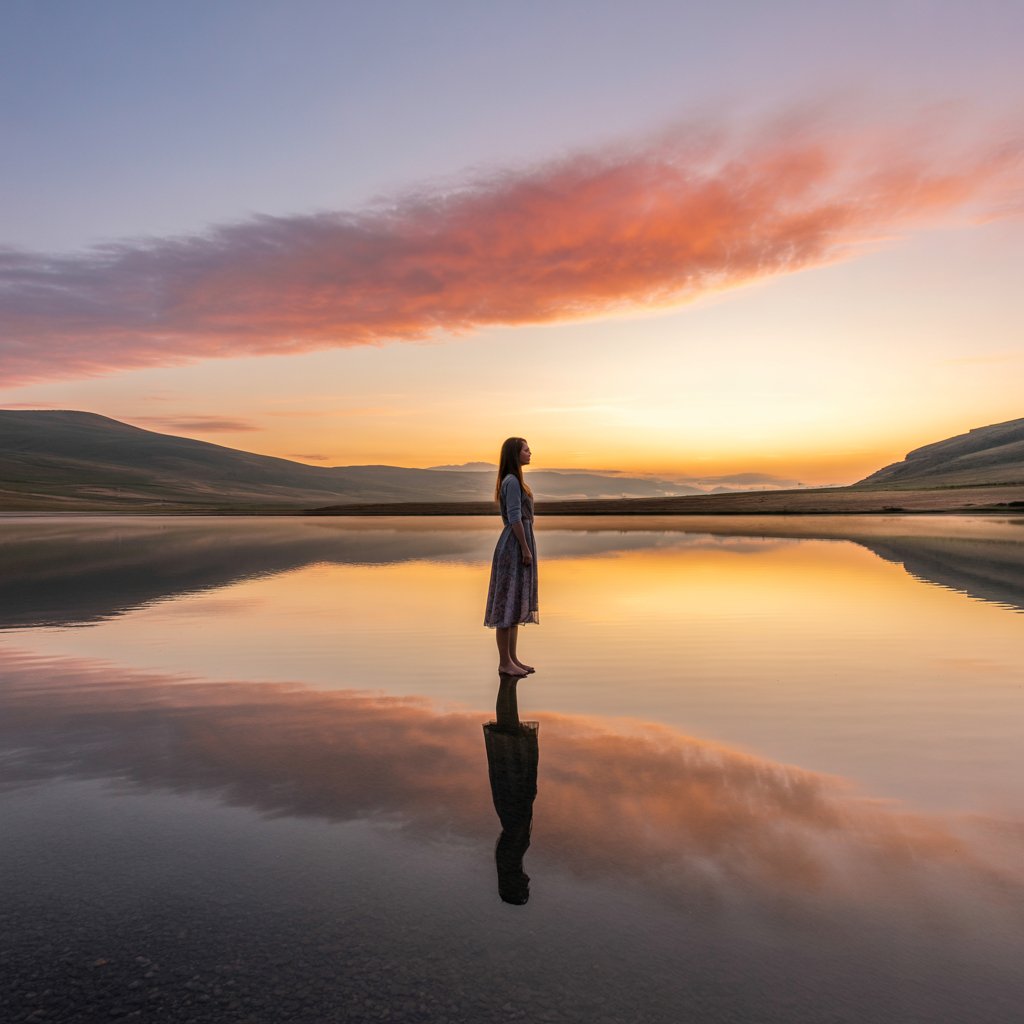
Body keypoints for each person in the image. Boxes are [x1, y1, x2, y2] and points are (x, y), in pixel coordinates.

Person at [483, 437, 538, 676]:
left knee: (514, 602)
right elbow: (514, 518)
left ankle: (513, 659)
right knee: (506, 604)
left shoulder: (515, 481)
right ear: (515, 454)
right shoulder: (512, 481)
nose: (530, 452)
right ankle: (504, 663)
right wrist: (525, 549)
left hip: (518, 543)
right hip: (514, 546)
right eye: (526, 449)